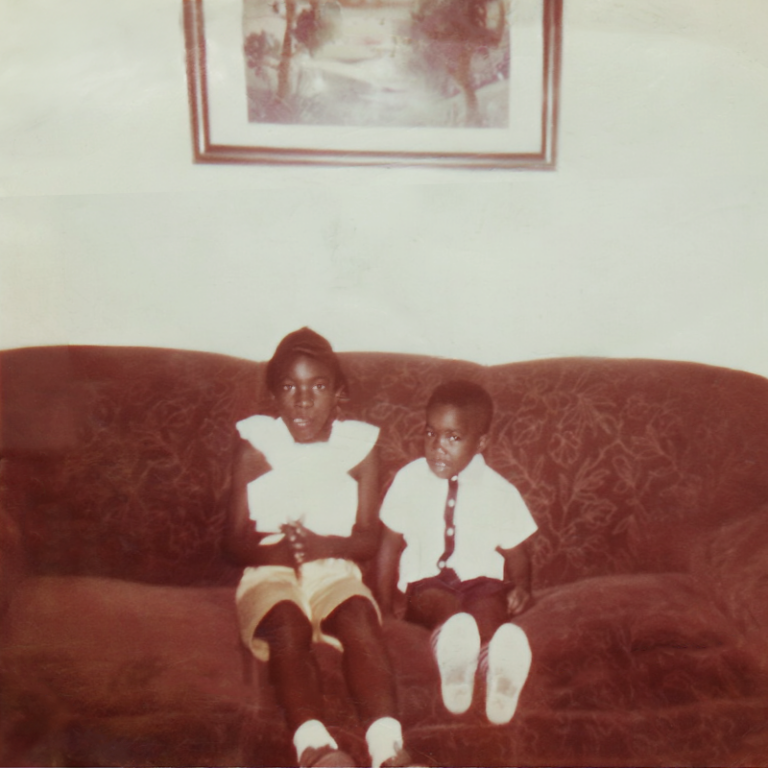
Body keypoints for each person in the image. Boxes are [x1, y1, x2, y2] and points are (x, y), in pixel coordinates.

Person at [225, 328, 411, 768]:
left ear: (338, 393)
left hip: (335, 565)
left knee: (359, 618)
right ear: (273, 393)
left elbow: (368, 538)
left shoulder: (360, 448)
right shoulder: (255, 445)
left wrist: (323, 544)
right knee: (287, 626)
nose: (303, 401)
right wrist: (278, 555)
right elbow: (230, 542)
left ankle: (388, 748)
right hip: (270, 569)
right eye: (290, 387)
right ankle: (314, 747)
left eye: (318, 387)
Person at [378, 380, 537, 726]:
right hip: (425, 586)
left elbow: (517, 552)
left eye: (453, 437)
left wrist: (522, 586)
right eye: (431, 433)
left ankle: (496, 671)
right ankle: (453, 657)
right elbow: (388, 544)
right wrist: (385, 602)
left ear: (480, 443)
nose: (437, 447)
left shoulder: (499, 490)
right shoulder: (408, 479)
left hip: (481, 583)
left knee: (489, 608)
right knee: (442, 604)